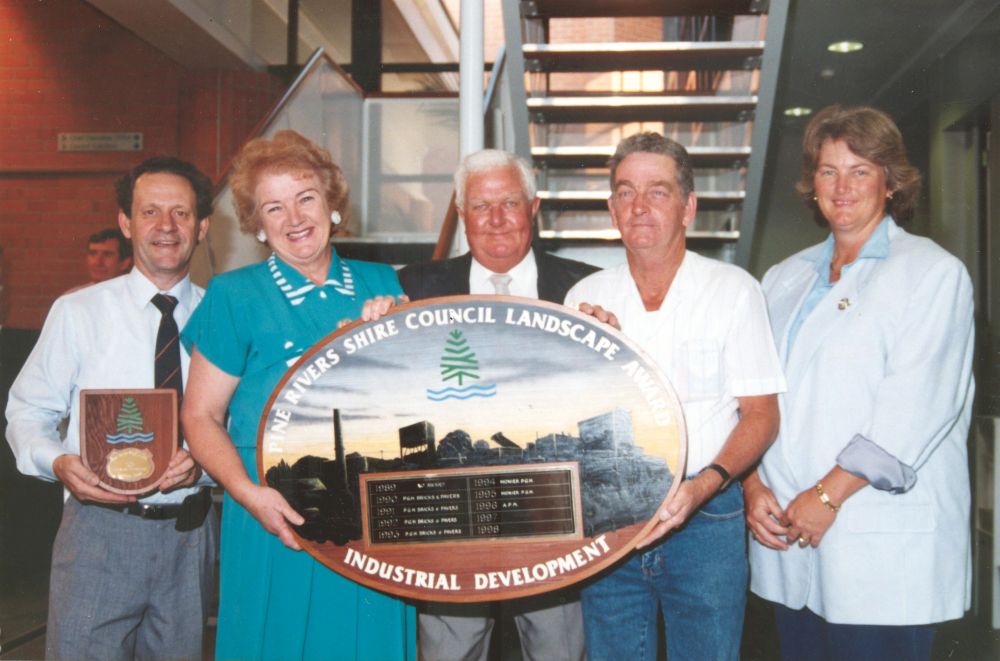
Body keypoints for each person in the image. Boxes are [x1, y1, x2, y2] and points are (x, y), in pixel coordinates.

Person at [745, 105, 975, 661]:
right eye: (828, 171)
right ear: (813, 184)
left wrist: (826, 496)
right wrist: (752, 487)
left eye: (860, 171)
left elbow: (913, 410)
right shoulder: (782, 278)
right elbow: (752, 395)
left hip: (877, 540)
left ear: (890, 182)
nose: (842, 187)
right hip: (790, 538)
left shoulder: (933, 274)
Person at [180, 130, 415, 661]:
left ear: (332, 205)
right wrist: (248, 495)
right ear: (258, 225)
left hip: (371, 514)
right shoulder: (233, 295)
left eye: (306, 198)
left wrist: (402, 336)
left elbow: (417, 403)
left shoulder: (384, 283)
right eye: (274, 207)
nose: (294, 218)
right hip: (273, 511)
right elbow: (199, 416)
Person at [563, 132, 784, 660]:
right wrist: (595, 360)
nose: (638, 206)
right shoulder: (584, 298)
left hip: (707, 512)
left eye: (657, 192)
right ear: (612, 209)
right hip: (611, 514)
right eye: (625, 192)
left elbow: (761, 415)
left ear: (688, 208)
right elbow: (567, 419)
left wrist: (704, 485)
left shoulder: (733, 290)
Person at [6, 156, 217, 661]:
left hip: (191, 538)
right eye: (150, 212)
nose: (166, 226)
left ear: (203, 226)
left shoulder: (223, 316)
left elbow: (239, 428)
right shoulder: (77, 312)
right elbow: (27, 413)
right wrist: (58, 462)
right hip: (98, 533)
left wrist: (204, 464)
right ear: (126, 222)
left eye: (181, 213)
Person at [397, 149, 597, 661]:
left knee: (558, 650)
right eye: (481, 206)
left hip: (554, 511)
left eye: (509, 203)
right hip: (451, 515)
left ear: (534, 208)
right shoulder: (414, 288)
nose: (496, 219)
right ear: (461, 214)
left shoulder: (587, 287)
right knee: (450, 651)